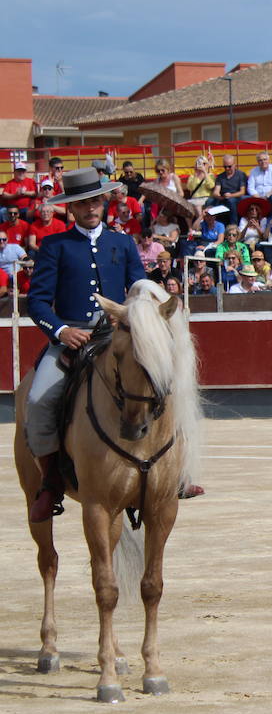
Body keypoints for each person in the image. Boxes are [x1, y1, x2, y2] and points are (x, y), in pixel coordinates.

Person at [23, 168, 149, 521]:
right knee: (37, 399)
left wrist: (136, 313)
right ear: (71, 208)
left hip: (116, 336)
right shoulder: (55, 246)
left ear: (104, 201)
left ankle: (172, 473)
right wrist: (61, 330)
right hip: (71, 339)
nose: (90, 208)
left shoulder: (123, 243)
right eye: (81, 203)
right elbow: (37, 302)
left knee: (159, 381)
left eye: (94, 200)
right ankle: (51, 480)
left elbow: (139, 289)